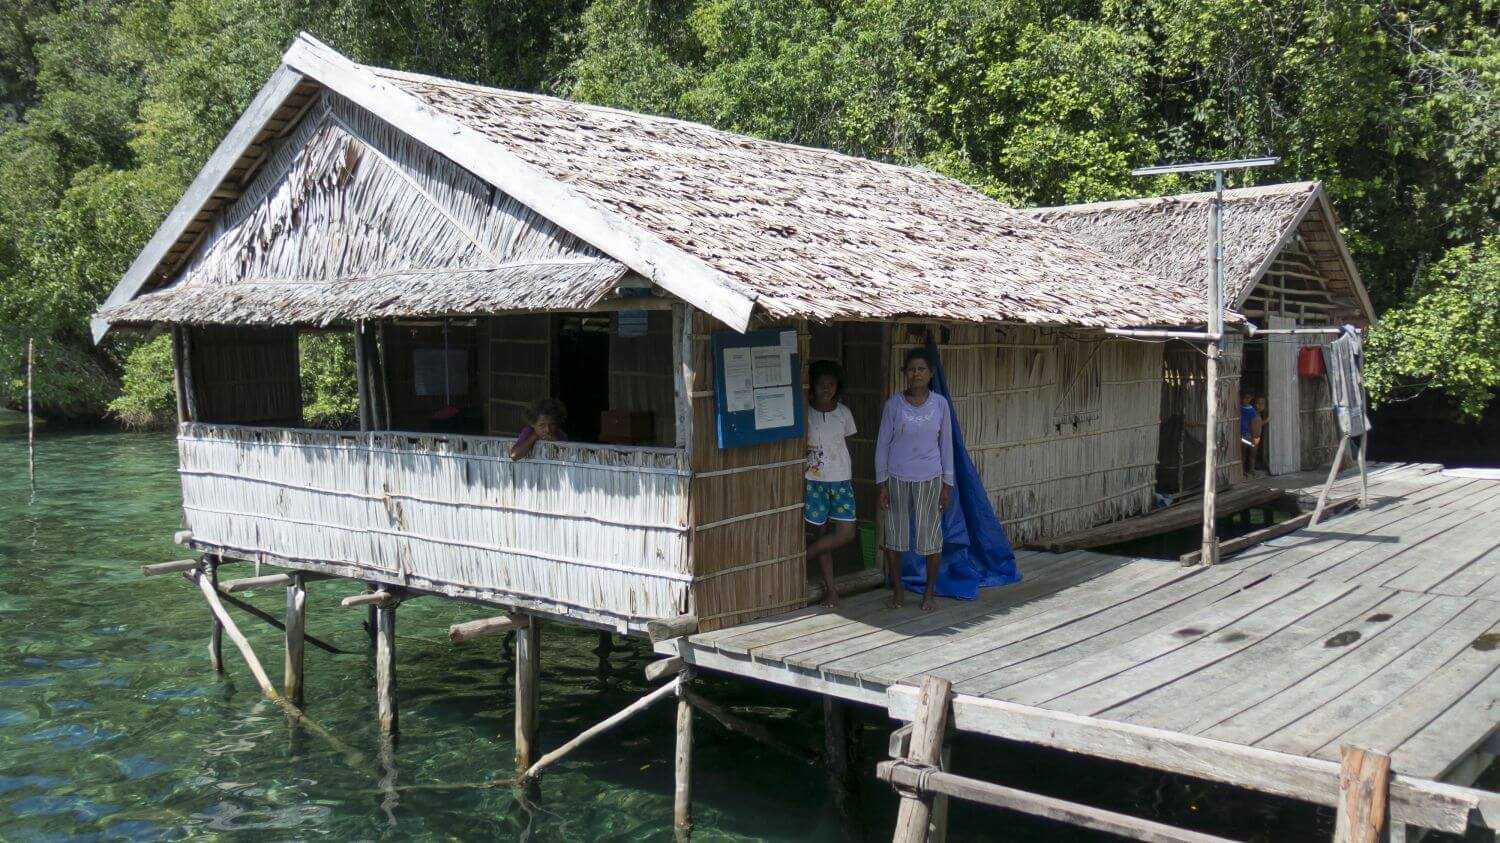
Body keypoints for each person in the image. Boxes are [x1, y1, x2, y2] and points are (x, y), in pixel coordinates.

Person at [875, 348, 954, 612]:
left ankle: (929, 593)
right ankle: (898, 590)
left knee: (931, 537)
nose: (916, 373)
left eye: (921, 369)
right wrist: (882, 484)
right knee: (894, 537)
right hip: (897, 478)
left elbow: (946, 446)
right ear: (904, 374)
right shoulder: (893, 405)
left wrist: (947, 483)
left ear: (930, 373)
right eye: (911, 369)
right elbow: (882, 445)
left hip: (930, 479)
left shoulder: (940, 404)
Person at [803, 361, 858, 607]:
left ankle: (802, 558)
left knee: (846, 533)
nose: (827, 389)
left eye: (831, 384)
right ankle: (831, 590)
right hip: (814, 481)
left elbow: (848, 443)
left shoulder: (843, 413)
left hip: (841, 479)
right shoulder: (805, 412)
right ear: (812, 386)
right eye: (821, 384)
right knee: (821, 533)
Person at [1240, 392, 1260, 474]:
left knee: (1252, 454)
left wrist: (1254, 436)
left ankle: (1250, 470)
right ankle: (1244, 470)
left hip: (1249, 434)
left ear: (1251, 398)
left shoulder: (1252, 411)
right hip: (1244, 434)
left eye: (1248, 398)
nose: (1246, 400)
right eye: (1245, 398)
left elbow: (1253, 424)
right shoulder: (1240, 408)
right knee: (1244, 454)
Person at [1253, 395, 1270, 473]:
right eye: (1257, 403)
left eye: (1262, 404)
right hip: (1252, 437)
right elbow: (1257, 424)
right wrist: (1267, 420)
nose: (1258, 406)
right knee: (1252, 453)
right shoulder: (1254, 413)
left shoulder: (1258, 413)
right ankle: (1251, 469)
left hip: (1256, 437)